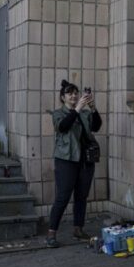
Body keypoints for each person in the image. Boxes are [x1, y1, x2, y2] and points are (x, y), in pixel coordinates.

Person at [47, 80, 102, 248]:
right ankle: (51, 233)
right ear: (62, 97)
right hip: (66, 160)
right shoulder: (58, 113)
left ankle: (78, 229)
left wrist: (93, 108)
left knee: (81, 196)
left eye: (76, 93)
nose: (74, 96)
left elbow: (97, 126)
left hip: (85, 160)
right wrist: (77, 109)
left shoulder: (85, 113)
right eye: (70, 93)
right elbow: (63, 127)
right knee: (63, 197)